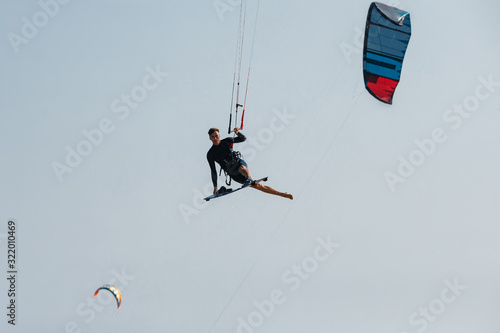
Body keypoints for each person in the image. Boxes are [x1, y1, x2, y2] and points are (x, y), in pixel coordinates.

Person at [207, 127, 293, 200]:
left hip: (238, 163)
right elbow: (213, 171)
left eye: (216, 136)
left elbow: (242, 139)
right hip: (232, 172)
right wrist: (215, 186)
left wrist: (238, 133)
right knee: (258, 186)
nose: (215, 138)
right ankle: (283, 194)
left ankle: (249, 179)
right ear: (210, 138)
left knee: (242, 168)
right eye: (213, 137)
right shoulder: (210, 154)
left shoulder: (227, 141)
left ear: (219, 135)